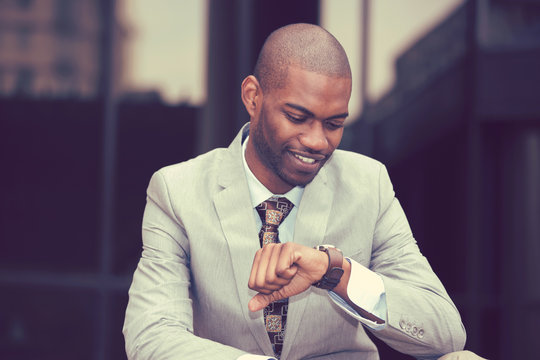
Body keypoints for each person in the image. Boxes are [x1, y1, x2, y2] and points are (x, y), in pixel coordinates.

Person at [123, 23, 466, 360]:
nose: (317, 141)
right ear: (253, 97)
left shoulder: (368, 185)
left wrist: (336, 273)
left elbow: (445, 333)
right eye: (297, 117)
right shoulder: (177, 191)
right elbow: (151, 335)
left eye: (334, 124)